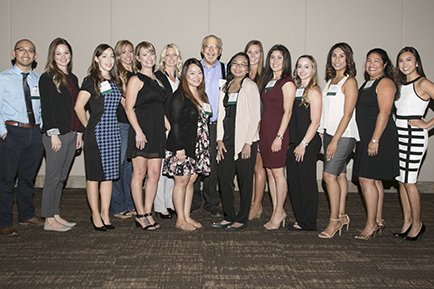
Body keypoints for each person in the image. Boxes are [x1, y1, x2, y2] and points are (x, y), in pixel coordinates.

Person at [211, 52, 261, 230]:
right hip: (227, 141)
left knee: (245, 181)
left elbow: (256, 117)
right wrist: (219, 140)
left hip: (245, 142)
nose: (238, 67)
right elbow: (220, 115)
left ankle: (241, 218)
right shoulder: (225, 86)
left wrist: (248, 143)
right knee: (224, 179)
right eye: (235, 63)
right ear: (230, 66)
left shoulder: (250, 86)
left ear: (248, 69)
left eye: (243, 64)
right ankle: (228, 215)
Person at [0, 39, 45, 236]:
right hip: (12, 132)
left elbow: (41, 108)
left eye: (30, 51)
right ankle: (4, 221)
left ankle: (26, 214)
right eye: (21, 50)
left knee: (28, 178)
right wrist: (2, 132)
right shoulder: (3, 78)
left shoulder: (38, 80)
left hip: (34, 133)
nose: (25, 54)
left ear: (35, 56)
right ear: (13, 53)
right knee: (7, 179)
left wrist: (41, 129)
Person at [74, 44, 121, 231]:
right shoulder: (90, 81)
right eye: (104, 57)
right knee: (94, 177)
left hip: (113, 134)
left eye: (111, 56)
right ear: (96, 59)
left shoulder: (115, 81)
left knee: (109, 177)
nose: (109, 60)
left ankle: (105, 214)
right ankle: (95, 215)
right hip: (97, 134)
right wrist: (88, 127)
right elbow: (79, 107)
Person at [353, 48, 399, 240]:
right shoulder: (368, 83)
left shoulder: (385, 82)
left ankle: (370, 224)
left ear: (385, 65)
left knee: (365, 179)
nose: (371, 64)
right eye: (368, 60)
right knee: (375, 179)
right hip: (367, 138)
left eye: (377, 61)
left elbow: (385, 112)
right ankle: (378, 220)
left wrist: (374, 139)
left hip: (378, 138)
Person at [39, 37, 83, 232]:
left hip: (72, 133)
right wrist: (53, 134)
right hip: (55, 135)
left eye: (66, 52)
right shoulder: (47, 77)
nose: (63, 56)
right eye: (58, 53)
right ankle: (48, 219)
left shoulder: (72, 78)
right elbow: (47, 109)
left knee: (61, 177)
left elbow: (77, 109)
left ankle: (55, 213)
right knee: (52, 177)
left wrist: (79, 133)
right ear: (52, 56)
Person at [163, 58, 211, 231]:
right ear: (184, 74)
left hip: (197, 146)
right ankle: (180, 219)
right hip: (181, 146)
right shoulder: (179, 96)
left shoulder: (201, 95)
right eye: (192, 73)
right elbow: (174, 123)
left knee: (191, 181)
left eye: (199, 73)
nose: (197, 76)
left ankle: (187, 216)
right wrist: (179, 148)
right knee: (181, 182)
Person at [125, 41, 168, 230]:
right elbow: (128, 107)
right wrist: (138, 132)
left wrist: (170, 129)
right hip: (141, 132)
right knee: (139, 173)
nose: (149, 57)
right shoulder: (136, 79)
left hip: (158, 132)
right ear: (138, 58)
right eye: (144, 54)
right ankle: (140, 213)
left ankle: (148, 212)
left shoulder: (158, 79)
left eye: (151, 53)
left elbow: (161, 108)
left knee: (154, 174)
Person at [318, 42, 359, 239]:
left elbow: (348, 113)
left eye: (341, 56)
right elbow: (326, 111)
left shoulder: (349, 82)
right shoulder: (331, 81)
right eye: (333, 55)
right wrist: (321, 132)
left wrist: (334, 141)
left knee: (328, 177)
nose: (337, 59)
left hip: (344, 135)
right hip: (328, 133)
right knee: (340, 175)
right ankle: (342, 215)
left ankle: (333, 221)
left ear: (348, 59)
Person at [394, 47, 434, 241]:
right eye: (401, 61)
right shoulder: (400, 85)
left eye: (409, 60)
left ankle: (417, 223)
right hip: (399, 136)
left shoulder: (423, 83)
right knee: (401, 180)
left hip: (414, 137)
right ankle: (407, 221)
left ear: (417, 62)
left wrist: (427, 124)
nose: (405, 64)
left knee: (410, 182)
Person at [258, 44, 296, 230]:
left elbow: (288, 112)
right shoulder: (268, 81)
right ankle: (276, 210)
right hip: (265, 132)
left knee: (278, 173)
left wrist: (279, 136)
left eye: (279, 57)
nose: (275, 61)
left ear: (286, 60)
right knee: (270, 173)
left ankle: (280, 211)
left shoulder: (287, 82)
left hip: (278, 133)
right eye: (272, 57)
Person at [286, 55, 322, 231]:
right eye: (300, 66)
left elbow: (315, 122)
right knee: (294, 182)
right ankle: (300, 219)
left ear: (313, 69)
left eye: (307, 66)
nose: (302, 70)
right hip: (294, 142)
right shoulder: (295, 89)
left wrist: (303, 144)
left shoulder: (313, 91)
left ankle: (309, 222)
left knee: (306, 182)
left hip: (307, 143)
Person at [192, 34, 225, 217]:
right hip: (195, 123)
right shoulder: (193, 68)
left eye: (215, 47)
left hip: (215, 124)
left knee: (212, 164)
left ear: (219, 51)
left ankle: (212, 201)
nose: (211, 50)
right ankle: (194, 200)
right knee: (195, 162)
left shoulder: (227, 70)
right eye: (207, 47)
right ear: (202, 49)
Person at [154, 43, 182, 219]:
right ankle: (159, 205)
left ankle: (170, 201)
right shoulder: (157, 77)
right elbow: (157, 104)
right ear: (163, 58)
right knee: (161, 167)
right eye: (168, 55)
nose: (171, 58)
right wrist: (167, 124)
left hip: (176, 128)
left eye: (175, 55)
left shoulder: (179, 78)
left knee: (173, 166)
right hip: (163, 127)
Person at [110, 40, 136, 220]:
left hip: (133, 125)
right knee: (118, 166)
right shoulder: (116, 75)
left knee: (129, 167)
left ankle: (129, 203)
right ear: (118, 55)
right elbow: (126, 101)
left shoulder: (135, 73)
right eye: (123, 52)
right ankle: (118, 206)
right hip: (121, 124)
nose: (127, 55)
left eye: (130, 51)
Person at [244, 40, 267, 221]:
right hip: (245, 127)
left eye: (256, 52)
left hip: (261, 127)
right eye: (250, 52)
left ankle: (257, 204)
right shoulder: (242, 73)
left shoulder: (266, 76)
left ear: (261, 55)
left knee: (259, 167)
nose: (253, 56)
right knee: (250, 167)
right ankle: (252, 200)